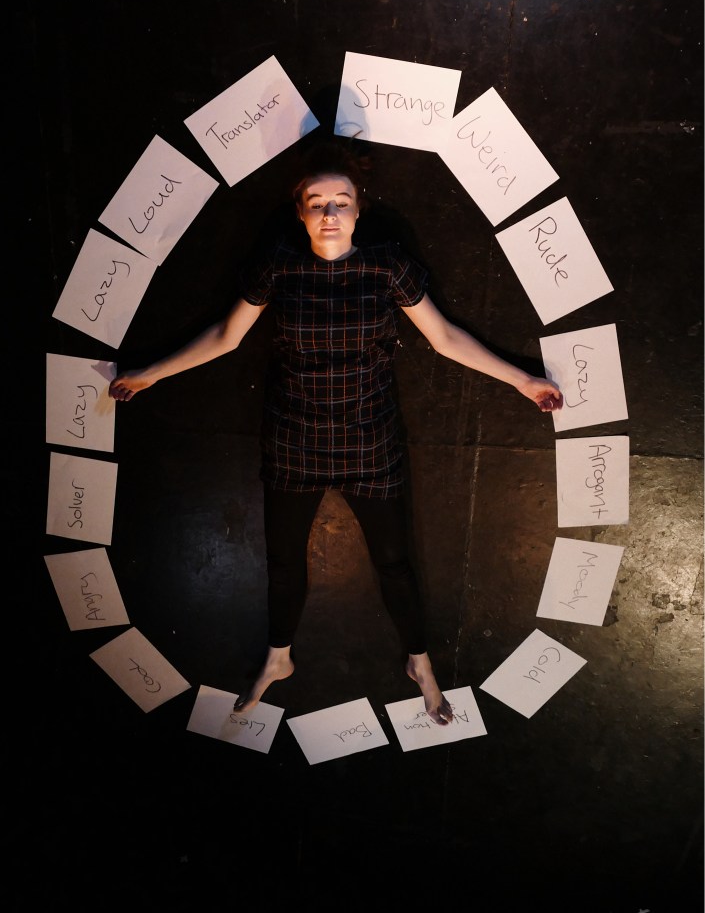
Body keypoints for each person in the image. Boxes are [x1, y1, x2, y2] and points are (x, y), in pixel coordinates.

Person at [109, 139, 562, 726]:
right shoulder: (278, 264)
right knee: (283, 562)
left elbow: (445, 338)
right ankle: (278, 659)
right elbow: (226, 336)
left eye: (341, 202)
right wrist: (149, 374)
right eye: (317, 203)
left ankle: (420, 662)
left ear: (357, 209)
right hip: (292, 442)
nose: (329, 213)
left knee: (394, 562)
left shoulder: (387, 265)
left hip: (370, 443)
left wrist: (523, 381)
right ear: (300, 212)